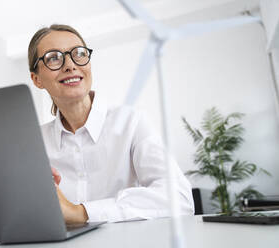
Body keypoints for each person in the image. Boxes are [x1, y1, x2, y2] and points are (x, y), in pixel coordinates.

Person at [28, 24, 194, 224]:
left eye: (78, 53)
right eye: (53, 57)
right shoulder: (34, 143)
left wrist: (80, 213)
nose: (70, 65)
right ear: (37, 79)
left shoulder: (132, 122)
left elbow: (181, 199)